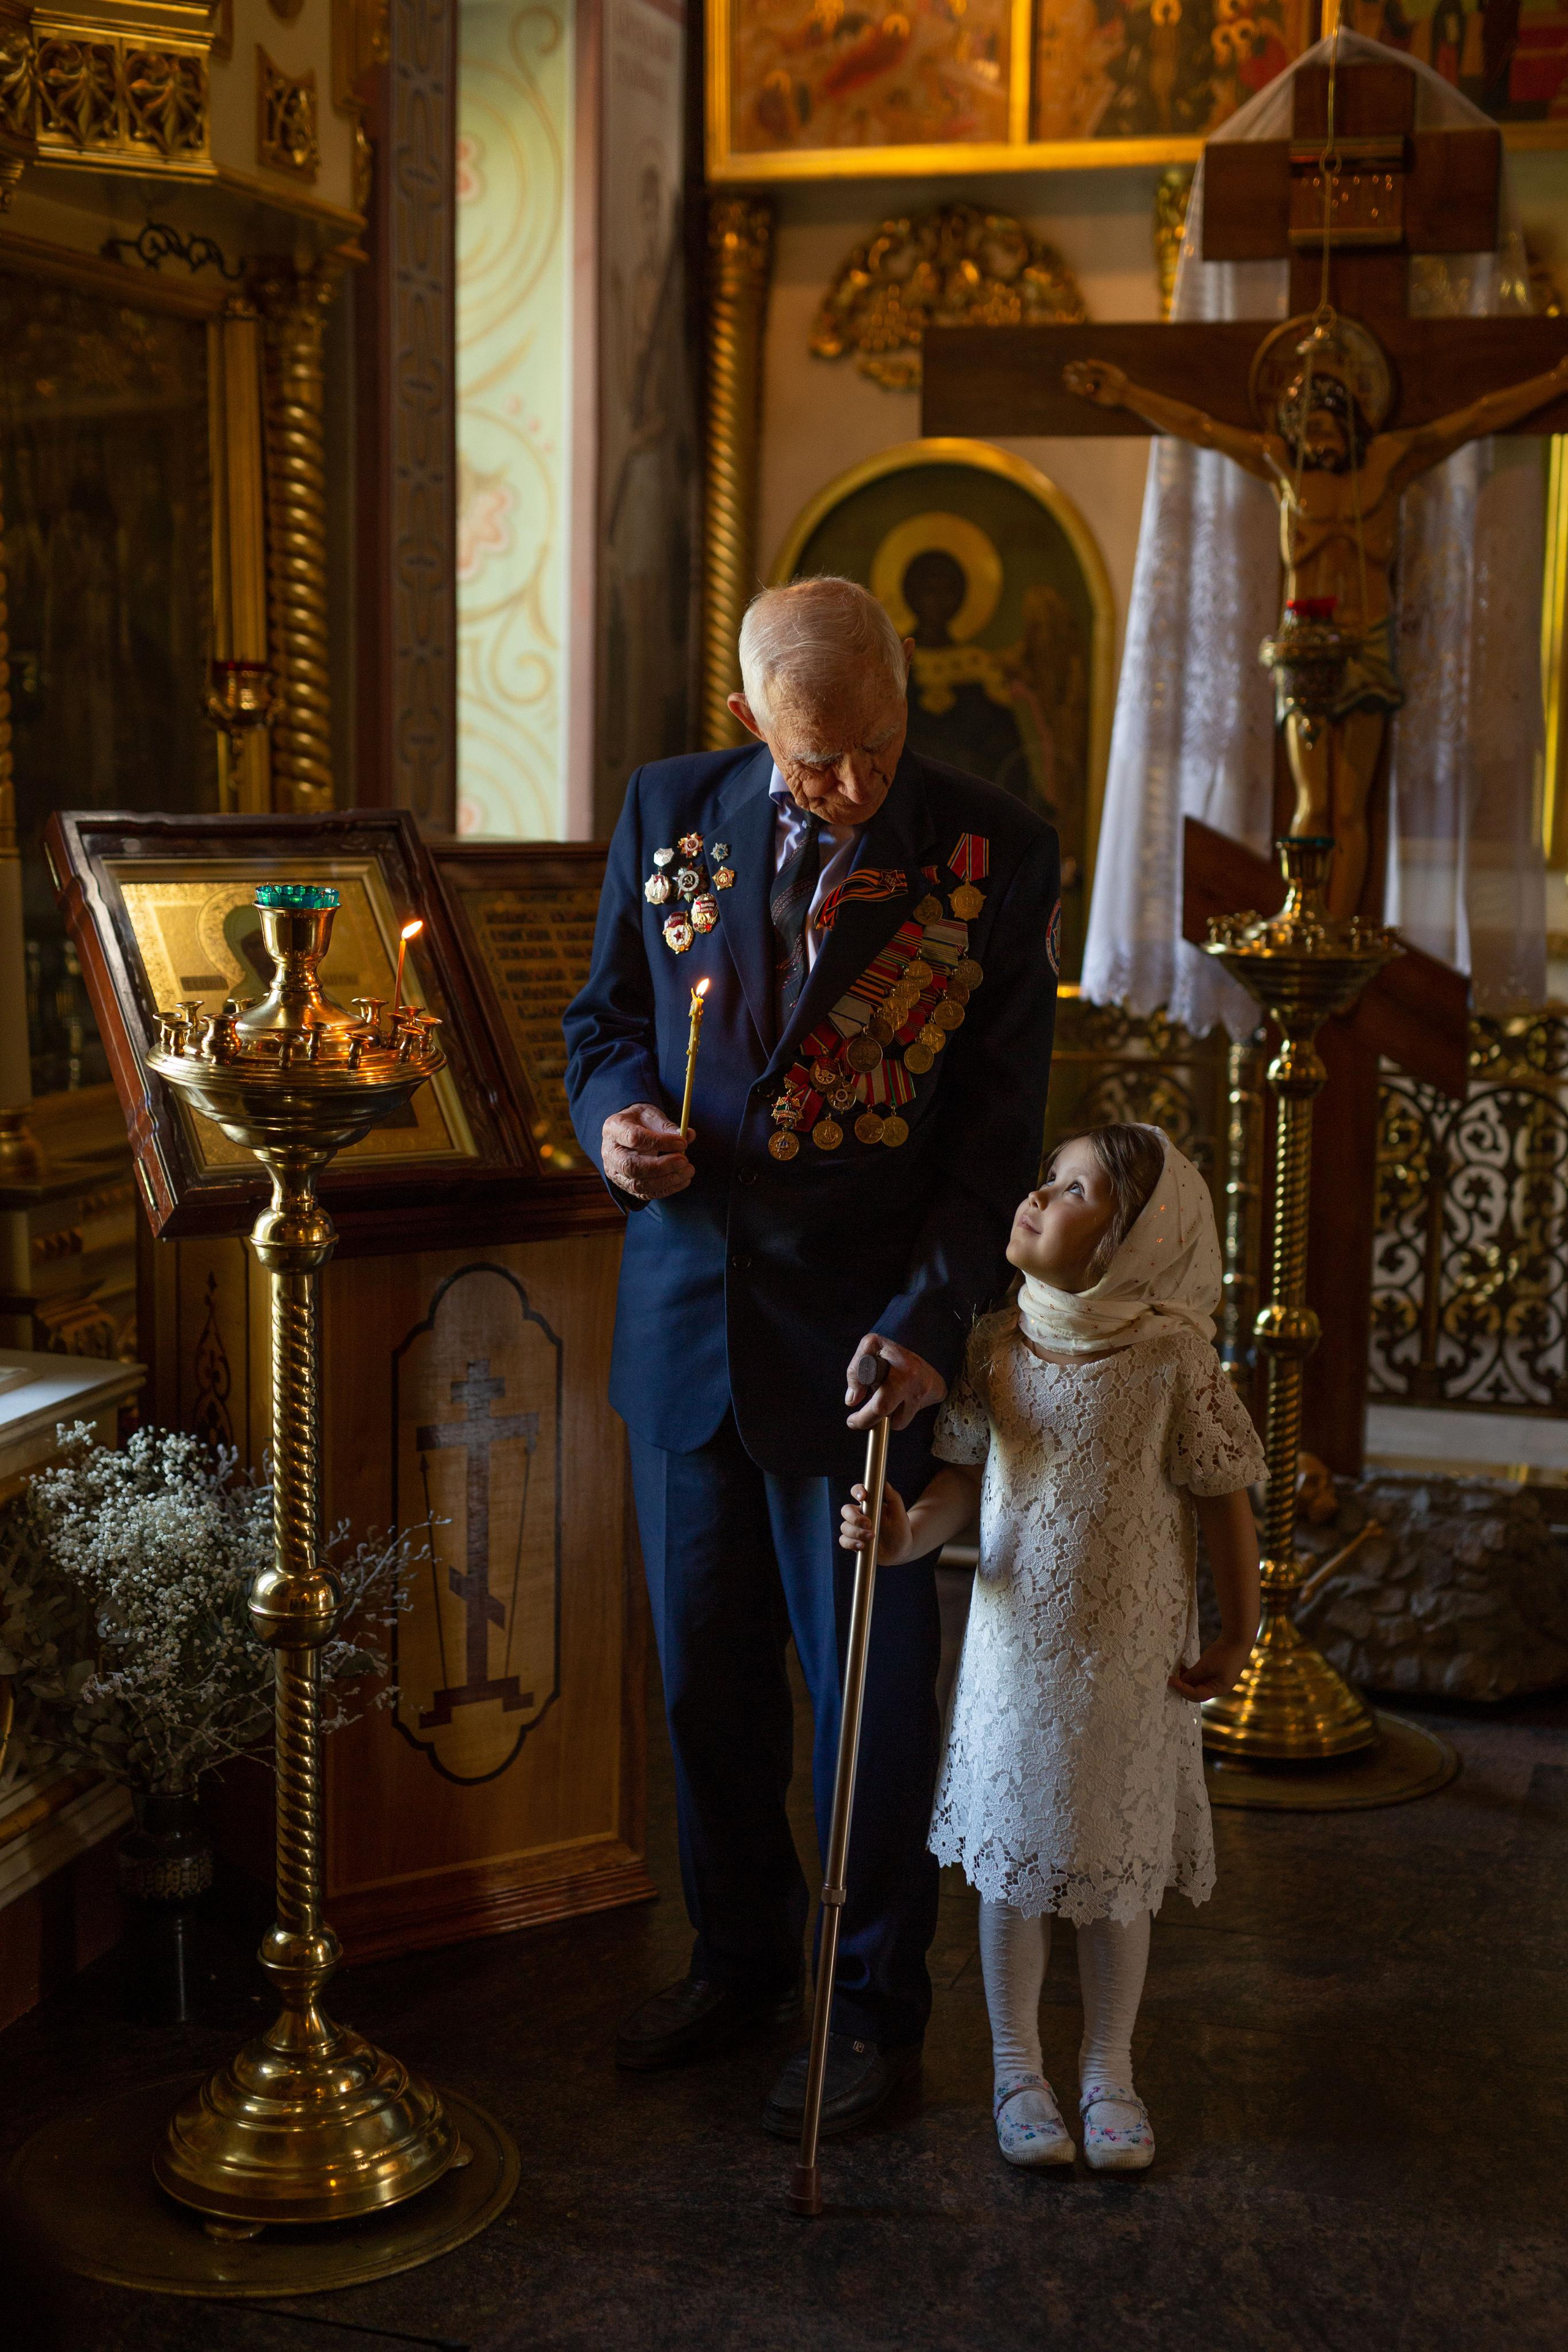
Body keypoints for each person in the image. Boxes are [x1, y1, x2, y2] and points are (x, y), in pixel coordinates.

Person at [564, 576, 1060, 2138]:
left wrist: (926, 1328)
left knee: (870, 1700)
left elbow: (990, 1145)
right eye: (808, 759)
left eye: (866, 748)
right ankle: (733, 1960)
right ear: (743, 722)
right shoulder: (666, 807)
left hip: (863, 1341)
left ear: (901, 696)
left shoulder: (989, 848)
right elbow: (598, 1024)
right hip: (683, 1328)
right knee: (705, 1684)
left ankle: (867, 2005)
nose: (843, 785)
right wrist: (615, 1124)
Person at [839, 1123, 1264, 2169]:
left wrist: (1242, 1632)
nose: (1038, 1195)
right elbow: (960, 1485)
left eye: (1073, 1191)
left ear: (1129, 1242)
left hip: (1132, 1651)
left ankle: (1109, 2070)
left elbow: (1224, 1502)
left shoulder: (1171, 1358)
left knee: (1117, 1868)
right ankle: (1016, 2070)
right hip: (1016, 1651)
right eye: (1048, 1177)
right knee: (1014, 1866)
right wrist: (903, 1539)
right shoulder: (996, 1346)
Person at [1065, 334, 1568, 920]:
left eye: (1326, 430)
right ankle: (1303, 916)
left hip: (1368, 643)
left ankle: (1336, 929)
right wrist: (1128, 394)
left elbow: (1475, 420)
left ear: (1351, 424)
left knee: (1351, 805)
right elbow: (1200, 428)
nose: (1317, 444)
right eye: (1306, 432)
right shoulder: (1282, 466)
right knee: (1313, 801)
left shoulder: (1391, 461)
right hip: (1302, 651)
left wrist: (1557, 382)